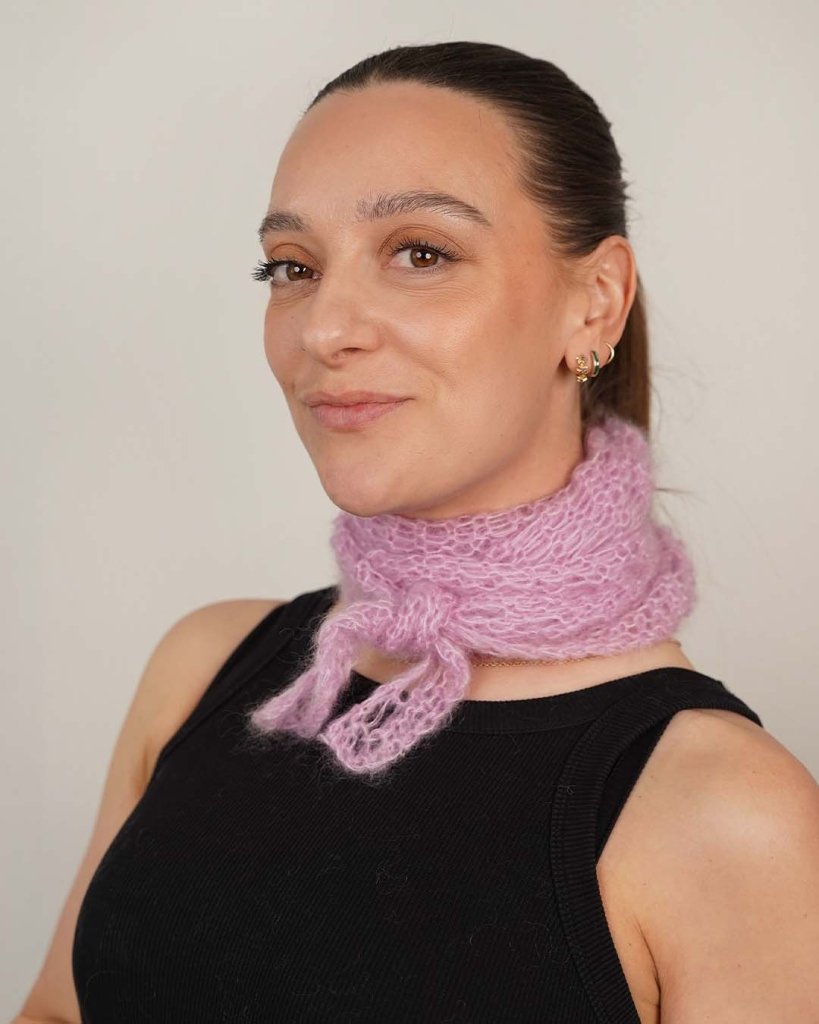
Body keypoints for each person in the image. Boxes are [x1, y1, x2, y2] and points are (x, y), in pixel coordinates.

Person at [17, 41, 819, 1024]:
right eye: (293, 266)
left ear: (594, 303)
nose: (324, 329)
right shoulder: (208, 669)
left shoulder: (725, 813)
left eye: (421, 254)